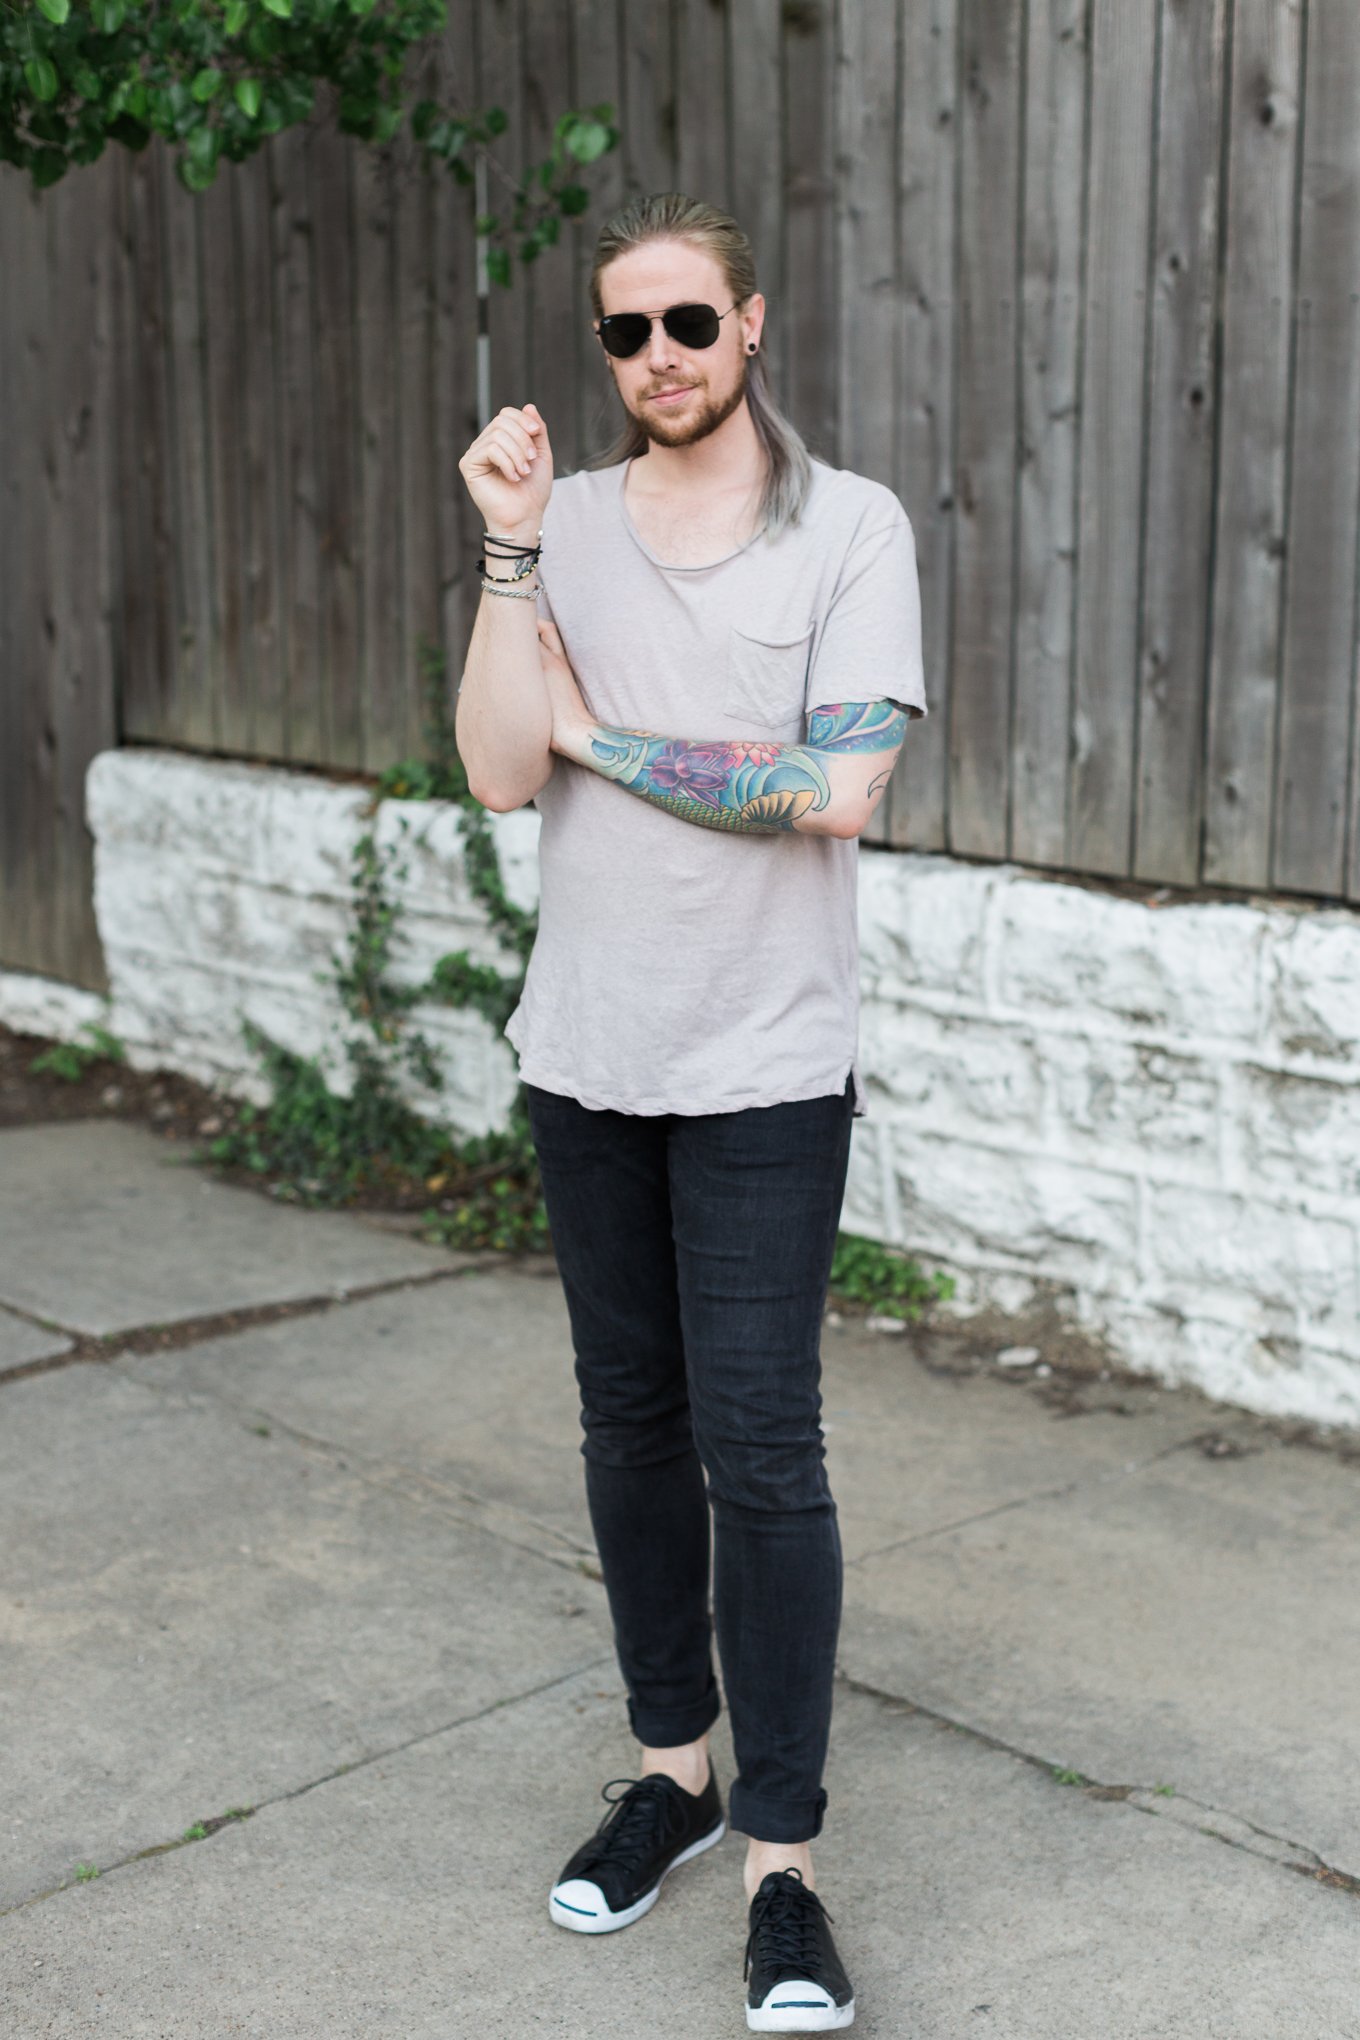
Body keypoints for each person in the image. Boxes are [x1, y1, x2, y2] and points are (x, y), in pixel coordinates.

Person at [455, 191, 927, 2035]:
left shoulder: (850, 527)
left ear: (750, 325)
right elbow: (498, 773)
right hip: (586, 1052)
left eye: (684, 325)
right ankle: (673, 1769)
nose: (654, 360)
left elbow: (834, 787)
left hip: (762, 1068)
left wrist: (595, 732)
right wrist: (505, 556)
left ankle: (783, 1871)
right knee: (628, 1428)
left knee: (763, 1450)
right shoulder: (560, 525)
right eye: (621, 335)